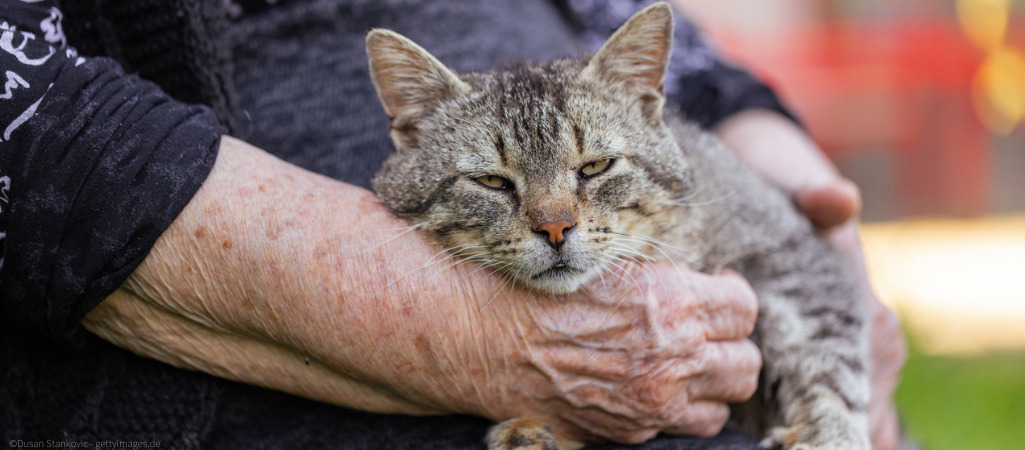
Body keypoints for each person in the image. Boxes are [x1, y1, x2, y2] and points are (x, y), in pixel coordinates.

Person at [0, 0, 906, 448]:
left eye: (585, 179)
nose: (555, 222)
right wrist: (462, 336)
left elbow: (634, 26)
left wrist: (778, 153)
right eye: (504, 190)